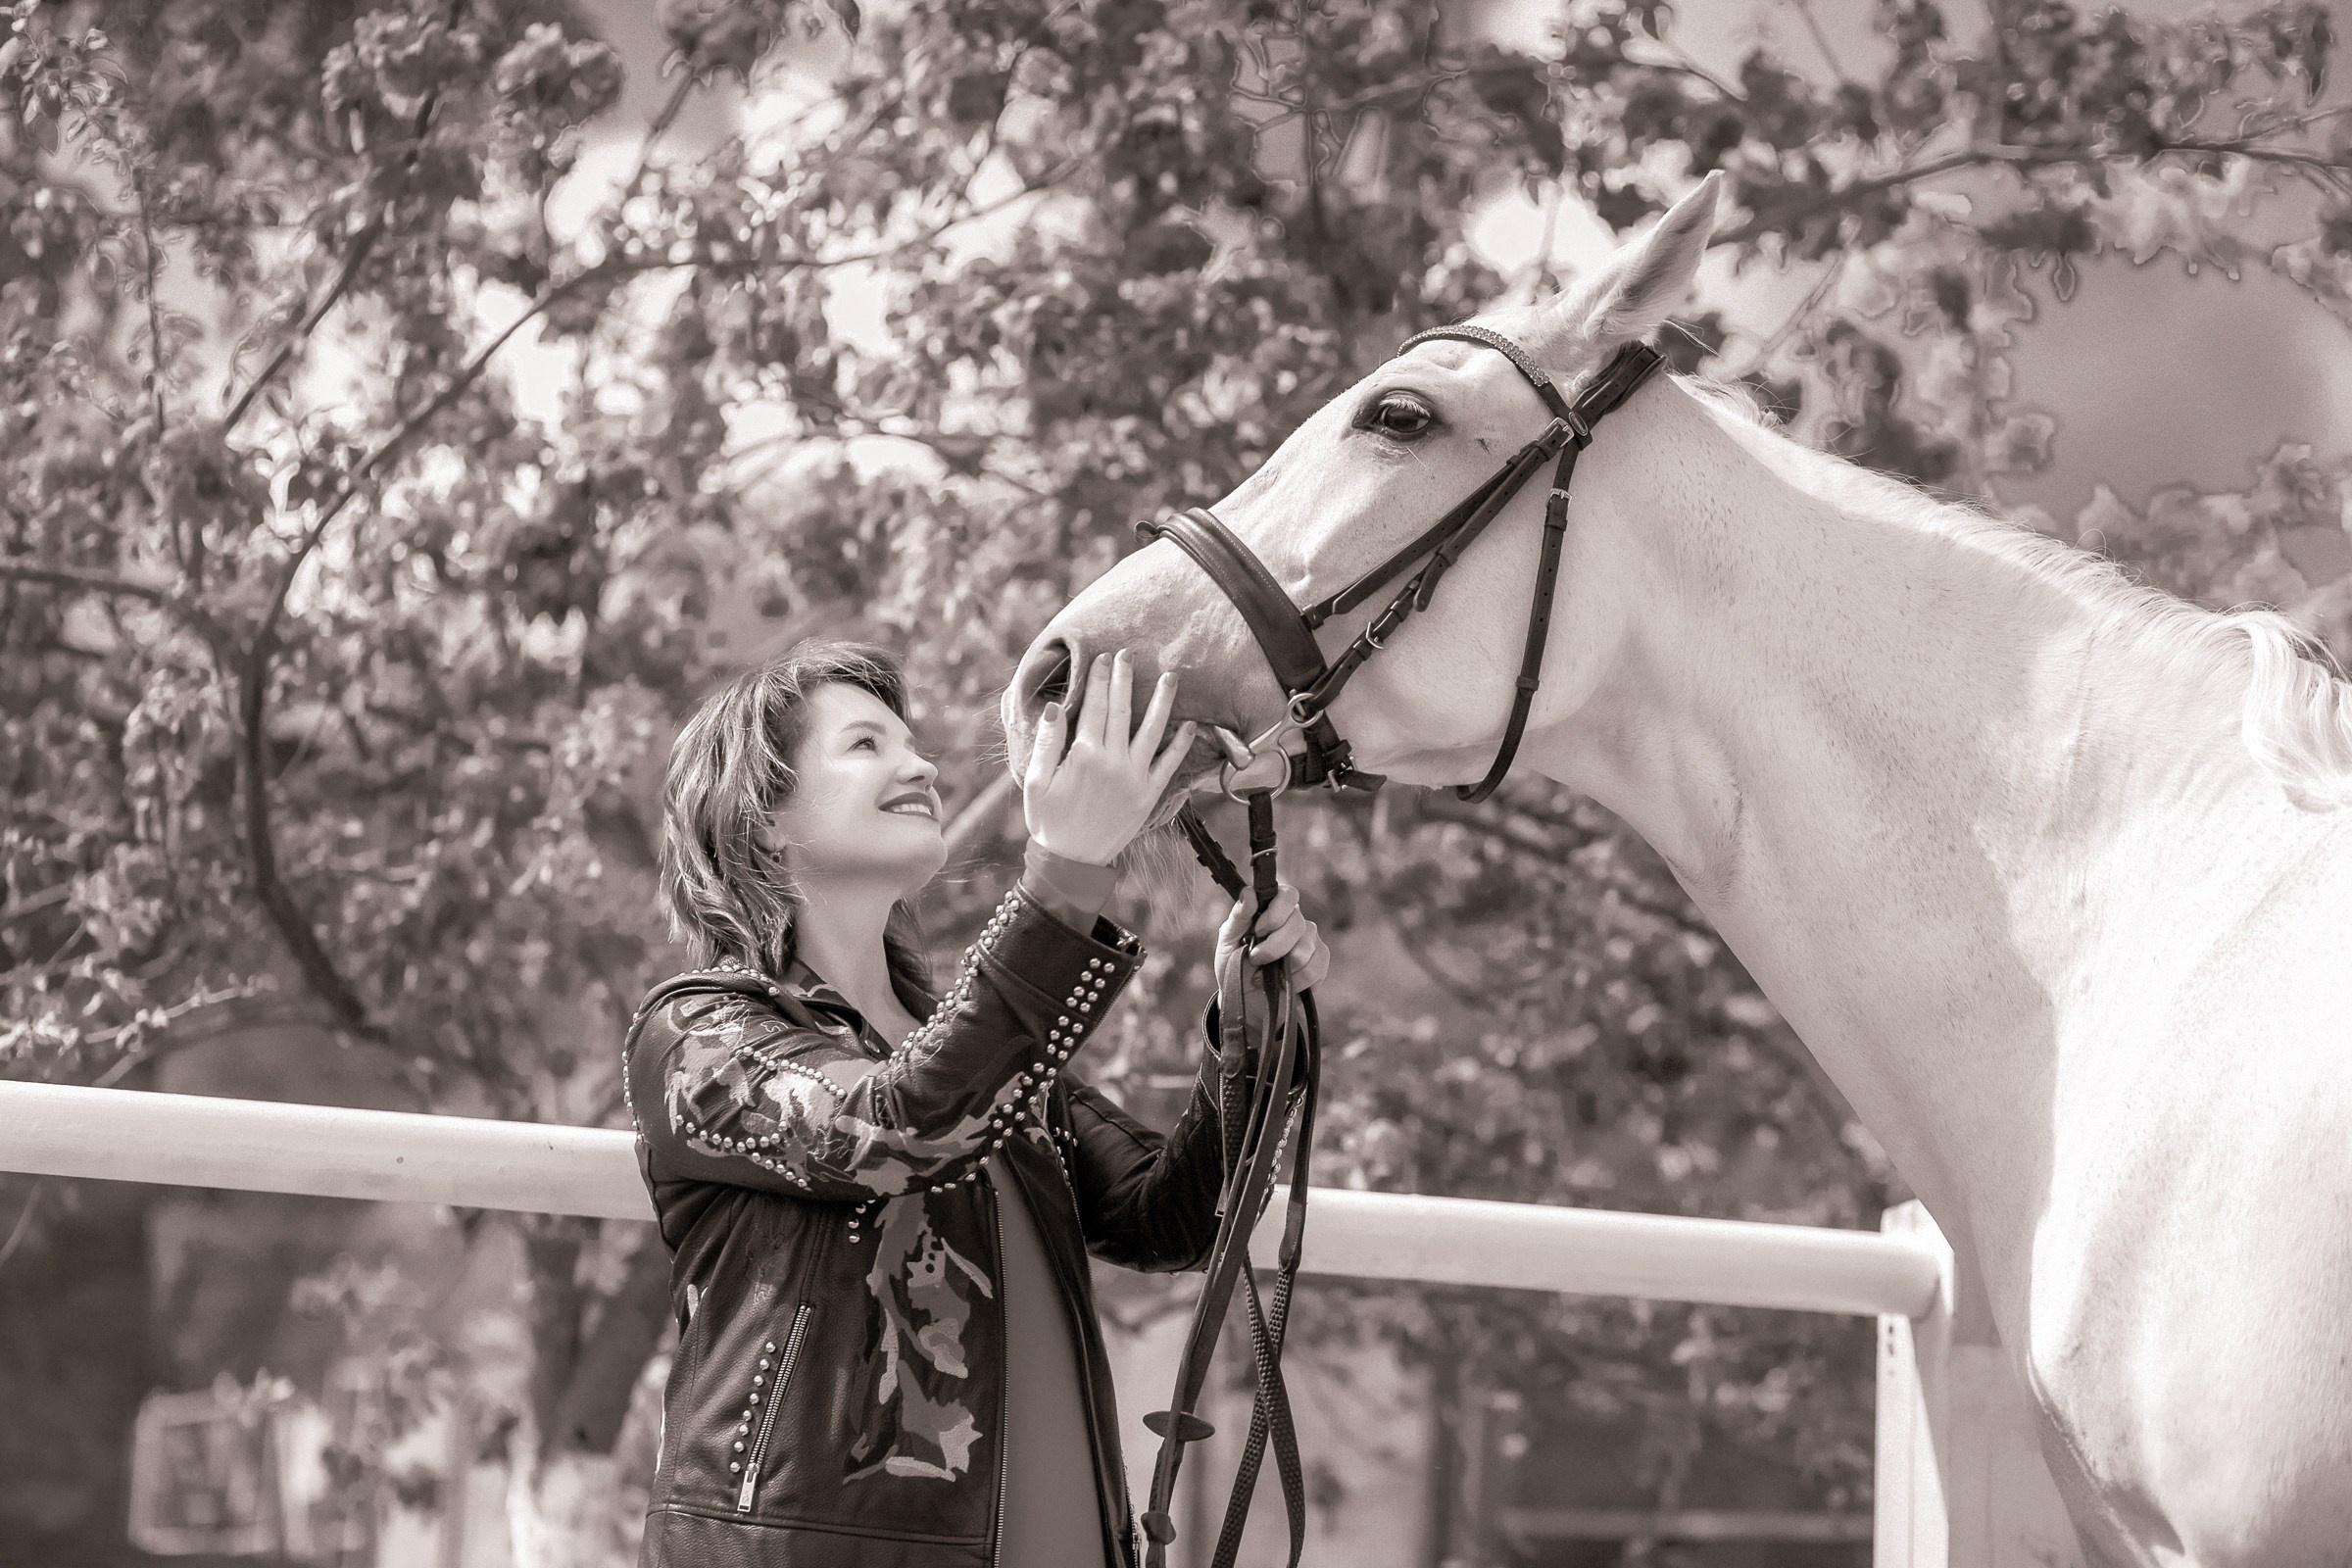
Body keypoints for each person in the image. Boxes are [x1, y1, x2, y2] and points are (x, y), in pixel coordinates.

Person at [624, 639, 1328, 1567]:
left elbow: (1175, 1220)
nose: (918, 765)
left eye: (913, 746)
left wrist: (1253, 1025)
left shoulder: (981, 1051)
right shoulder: (699, 1035)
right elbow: (891, 1133)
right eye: (866, 744)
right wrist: (1066, 871)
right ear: (759, 815)